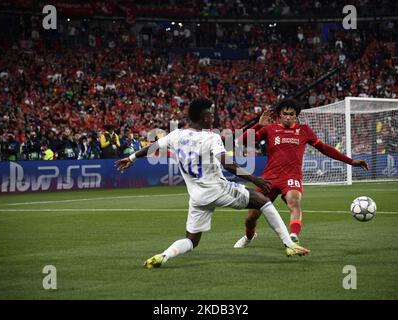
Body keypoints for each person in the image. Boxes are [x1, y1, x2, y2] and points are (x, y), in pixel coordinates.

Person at [115, 98, 310, 269]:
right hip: (218, 189)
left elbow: (153, 147)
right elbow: (227, 162)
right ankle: (289, 245)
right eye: (211, 113)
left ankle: (164, 255)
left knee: (191, 241)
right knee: (263, 201)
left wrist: (131, 158)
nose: (213, 116)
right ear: (204, 116)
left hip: (197, 198)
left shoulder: (176, 135)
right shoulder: (211, 137)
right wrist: (253, 178)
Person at [233, 99, 369, 248]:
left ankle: (293, 236)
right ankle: (249, 237)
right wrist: (259, 124)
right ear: (279, 114)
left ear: (296, 115)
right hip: (268, 178)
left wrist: (351, 162)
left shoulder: (304, 130)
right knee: (251, 217)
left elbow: (325, 148)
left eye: (291, 114)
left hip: (291, 177)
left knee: (294, 202)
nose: (288, 117)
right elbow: (240, 141)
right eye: (285, 113)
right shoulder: (269, 129)